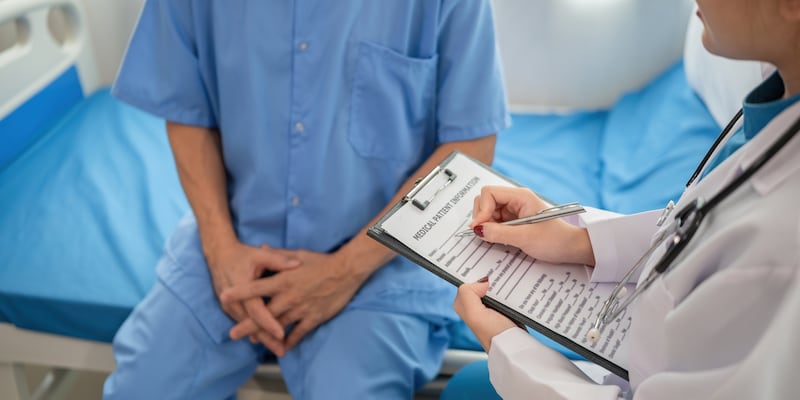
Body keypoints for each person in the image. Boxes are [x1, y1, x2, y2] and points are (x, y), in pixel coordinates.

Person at [102, 1, 509, 399]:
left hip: (382, 260)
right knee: (141, 388)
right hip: (233, 236)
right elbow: (188, 110)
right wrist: (219, 247)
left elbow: (470, 142)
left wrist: (345, 270)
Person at [452, 0, 800, 398]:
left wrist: (510, 346)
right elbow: (706, 225)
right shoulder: (777, 111)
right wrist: (577, 240)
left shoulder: (783, 250)